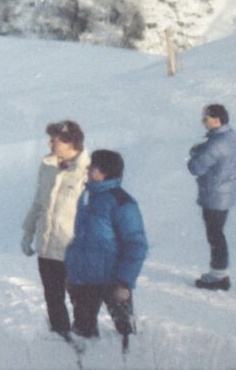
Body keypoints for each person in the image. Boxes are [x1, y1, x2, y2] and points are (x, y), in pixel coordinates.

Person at [63, 148, 147, 351]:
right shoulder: (87, 196)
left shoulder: (122, 202)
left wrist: (124, 282)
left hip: (113, 280)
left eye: (93, 166)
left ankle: (130, 361)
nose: (88, 168)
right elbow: (82, 239)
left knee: (126, 335)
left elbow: (136, 244)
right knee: (82, 336)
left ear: (106, 172)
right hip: (85, 280)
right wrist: (72, 272)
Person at [21, 119, 89, 338]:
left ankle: (86, 340)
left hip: (72, 248)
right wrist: (29, 231)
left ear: (71, 142)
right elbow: (38, 202)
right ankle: (61, 338)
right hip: (47, 246)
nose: (50, 144)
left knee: (80, 299)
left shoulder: (87, 171)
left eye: (55, 140)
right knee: (53, 298)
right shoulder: (48, 166)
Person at [187, 103, 236, 290]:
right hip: (224, 192)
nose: (203, 121)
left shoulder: (216, 144)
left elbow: (195, 167)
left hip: (214, 194)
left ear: (217, 120)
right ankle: (218, 272)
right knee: (217, 233)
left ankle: (219, 276)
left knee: (215, 234)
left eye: (206, 118)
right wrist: (199, 149)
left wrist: (195, 154)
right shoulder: (230, 136)